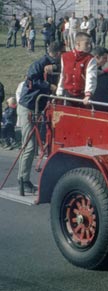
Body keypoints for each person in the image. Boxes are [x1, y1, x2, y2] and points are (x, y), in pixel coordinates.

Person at [17, 42, 62, 194]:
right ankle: (23, 179)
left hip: (38, 107)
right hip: (28, 106)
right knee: (29, 146)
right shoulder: (39, 64)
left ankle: (24, 178)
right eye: (62, 53)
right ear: (56, 53)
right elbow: (31, 81)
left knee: (34, 145)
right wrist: (48, 87)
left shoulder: (54, 64)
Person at [56, 32, 97, 106]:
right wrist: (59, 92)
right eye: (86, 43)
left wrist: (88, 94)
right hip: (67, 94)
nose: (89, 46)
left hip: (82, 95)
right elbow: (63, 75)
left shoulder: (90, 59)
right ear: (78, 44)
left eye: (90, 43)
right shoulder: (65, 56)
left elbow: (91, 77)